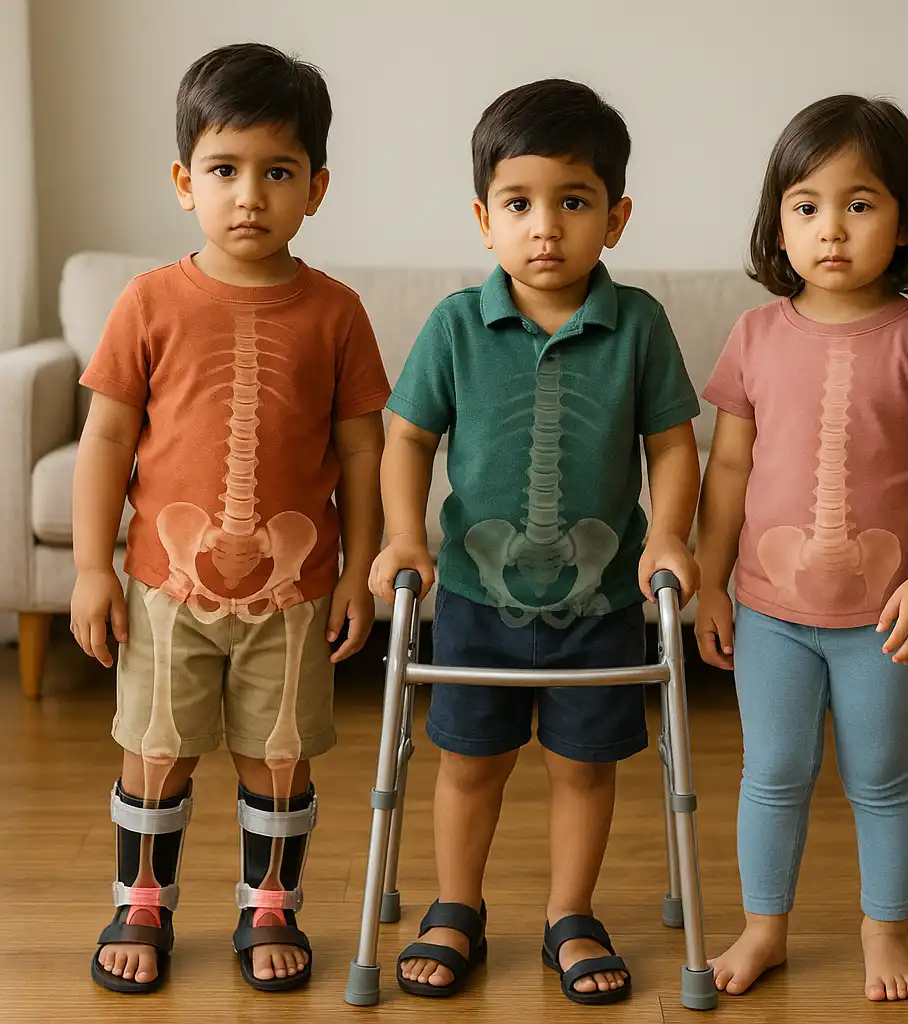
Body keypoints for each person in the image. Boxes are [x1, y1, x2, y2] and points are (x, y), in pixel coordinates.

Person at [369, 78, 702, 1005]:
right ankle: (455, 906)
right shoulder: (454, 324)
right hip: (477, 600)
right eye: (519, 204)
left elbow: (674, 445)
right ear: (485, 220)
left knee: (583, 771)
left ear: (616, 217)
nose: (545, 227)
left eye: (574, 202)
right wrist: (403, 536)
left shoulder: (639, 324)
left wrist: (669, 535)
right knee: (469, 764)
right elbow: (407, 437)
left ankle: (570, 914)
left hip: (603, 601)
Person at [72, 42, 390, 993]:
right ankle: (142, 899)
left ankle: (270, 904)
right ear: (185, 183)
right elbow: (105, 439)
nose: (250, 195)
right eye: (224, 170)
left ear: (316, 188)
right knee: (155, 748)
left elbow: (364, 451)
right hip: (167, 586)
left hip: (293, 591)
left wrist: (360, 569)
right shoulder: (148, 301)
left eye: (278, 172)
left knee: (277, 754)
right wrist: (90, 569)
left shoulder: (336, 312)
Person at [695, 94, 908, 1002]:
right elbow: (729, 466)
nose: (831, 228)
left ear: (905, 221)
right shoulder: (754, 334)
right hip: (770, 611)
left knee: (884, 777)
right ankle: (764, 927)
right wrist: (710, 581)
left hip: (886, 616)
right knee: (772, 775)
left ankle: (883, 930)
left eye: (860, 204)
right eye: (807, 205)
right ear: (778, 222)